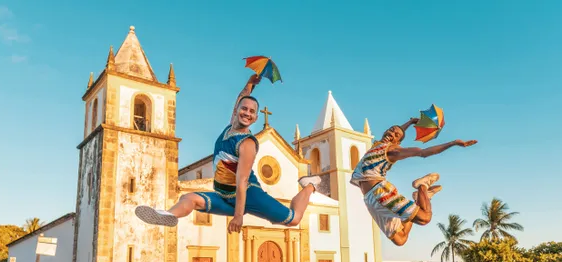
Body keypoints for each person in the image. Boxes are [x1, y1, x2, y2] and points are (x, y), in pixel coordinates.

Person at [135, 74, 322, 233]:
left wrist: (238, 217)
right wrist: (250, 84)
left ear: (256, 117)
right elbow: (241, 98)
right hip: (224, 195)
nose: (247, 113)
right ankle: (167, 215)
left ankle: (310, 186)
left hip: (249, 195)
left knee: (293, 219)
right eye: (244, 109)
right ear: (236, 111)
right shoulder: (229, 128)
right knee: (189, 198)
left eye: (251, 112)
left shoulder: (246, 143)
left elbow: (241, 181)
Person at [350, 118, 477, 246]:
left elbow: (423, 152)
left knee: (425, 218)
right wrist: (410, 123)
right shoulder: (377, 145)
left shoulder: (393, 150)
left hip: (380, 194)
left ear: (397, 142)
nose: (391, 134)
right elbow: (398, 130)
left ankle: (422, 186)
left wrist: (453, 143)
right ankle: (418, 198)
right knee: (400, 239)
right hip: (369, 199)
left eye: (395, 135)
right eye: (390, 130)